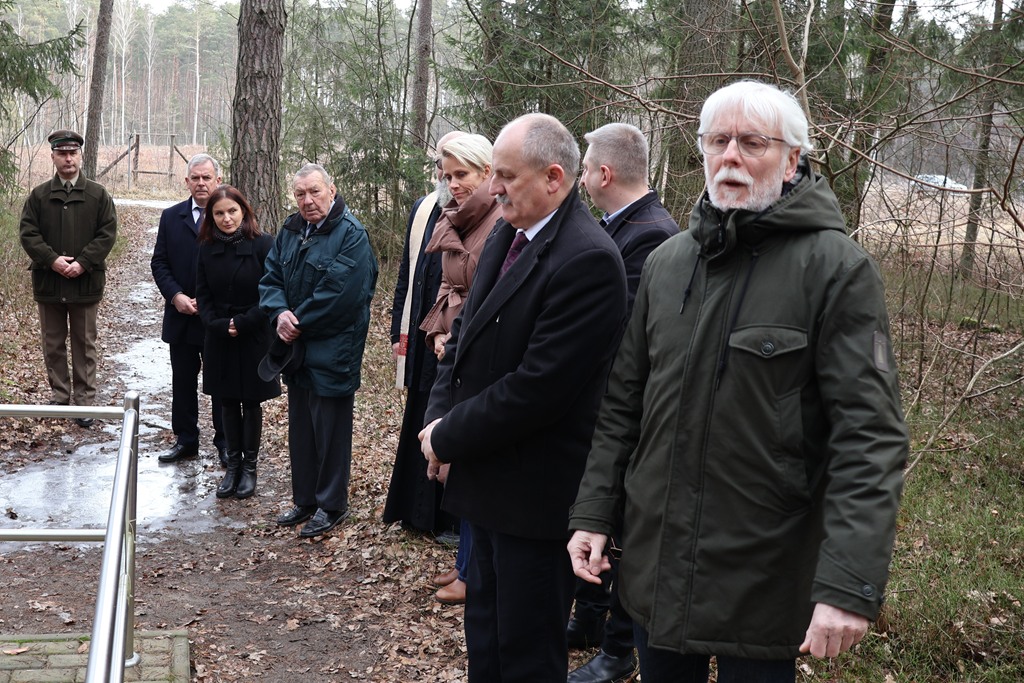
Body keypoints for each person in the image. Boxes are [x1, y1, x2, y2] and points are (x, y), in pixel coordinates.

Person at [567, 80, 909, 683]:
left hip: (766, 574)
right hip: (657, 564)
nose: (730, 156)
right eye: (717, 141)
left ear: (792, 159)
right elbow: (622, 405)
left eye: (752, 143)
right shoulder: (668, 263)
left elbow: (870, 438)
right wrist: (594, 512)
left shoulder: (837, 269)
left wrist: (847, 585)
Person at [419, 113, 628, 683]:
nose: (493, 188)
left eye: (506, 176)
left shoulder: (588, 259)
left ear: (554, 178)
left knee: (527, 655)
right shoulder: (508, 234)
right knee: (486, 642)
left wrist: (450, 436)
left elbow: (538, 389)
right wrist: (437, 423)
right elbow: (462, 342)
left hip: (535, 502)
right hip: (486, 486)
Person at [566, 122, 679, 683]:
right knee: (599, 517)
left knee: (625, 528)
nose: (582, 178)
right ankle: (591, 618)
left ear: (604, 174)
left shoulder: (652, 236)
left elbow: (623, 338)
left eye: (586, 168)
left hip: (632, 410)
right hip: (609, 406)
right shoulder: (621, 226)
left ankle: (618, 649)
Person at [259, 163, 378, 538]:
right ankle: (305, 499)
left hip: (334, 349)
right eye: (300, 194)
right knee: (302, 429)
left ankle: (332, 505)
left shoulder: (351, 235)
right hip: (297, 349)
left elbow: (343, 296)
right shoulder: (291, 230)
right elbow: (271, 276)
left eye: (314, 191)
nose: (307, 200)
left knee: (330, 430)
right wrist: (279, 313)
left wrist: (297, 320)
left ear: (332, 189)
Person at [417, 133, 502, 606]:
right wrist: (437, 332)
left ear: (487, 171)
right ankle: (465, 560)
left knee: (469, 460)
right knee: (457, 460)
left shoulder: (497, 222)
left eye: (462, 174)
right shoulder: (460, 217)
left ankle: (472, 570)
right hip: (452, 349)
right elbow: (447, 286)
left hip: (474, 353)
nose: (453, 185)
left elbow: (485, 295)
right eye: (447, 176)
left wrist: (456, 336)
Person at [382, 131, 465, 540]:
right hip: (419, 335)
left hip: (451, 337)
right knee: (418, 414)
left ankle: (446, 518)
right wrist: (398, 332)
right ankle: (412, 512)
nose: (446, 178)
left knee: (445, 417)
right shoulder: (423, 208)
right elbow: (407, 275)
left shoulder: (476, 212)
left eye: (454, 170)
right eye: (440, 168)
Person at [19, 129, 117, 428]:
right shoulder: (39, 196)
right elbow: (28, 233)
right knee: (53, 342)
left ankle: (85, 402)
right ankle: (60, 395)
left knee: (84, 343)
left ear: (80, 156)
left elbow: (107, 233)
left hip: (85, 283)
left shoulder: (98, 195)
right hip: (49, 282)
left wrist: (84, 263)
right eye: (62, 153)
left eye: (72, 153)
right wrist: (52, 260)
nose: (68, 158)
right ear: (53, 157)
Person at [195, 185, 279, 499]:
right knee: (227, 400)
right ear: (211, 217)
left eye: (232, 211)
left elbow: (272, 293)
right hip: (219, 336)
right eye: (219, 213)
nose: (227, 218)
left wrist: (242, 323)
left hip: (254, 334)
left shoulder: (263, 244)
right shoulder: (206, 247)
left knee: (251, 401)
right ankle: (232, 466)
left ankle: (250, 467)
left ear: (244, 211)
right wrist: (218, 325)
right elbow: (202, 294)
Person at [152, 153, 227, 464]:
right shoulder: (171, 217)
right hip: (181, 316)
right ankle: (185, 439)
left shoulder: (228, 216)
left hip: (217, 319)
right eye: (195, 178)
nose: (201, 183)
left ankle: (226, 442)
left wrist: (214, 305)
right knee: (182, 382)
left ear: (218, 180)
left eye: (206, 177)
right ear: (186, 182)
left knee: (221, 382)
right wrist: (176, 296)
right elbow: (159, 263)